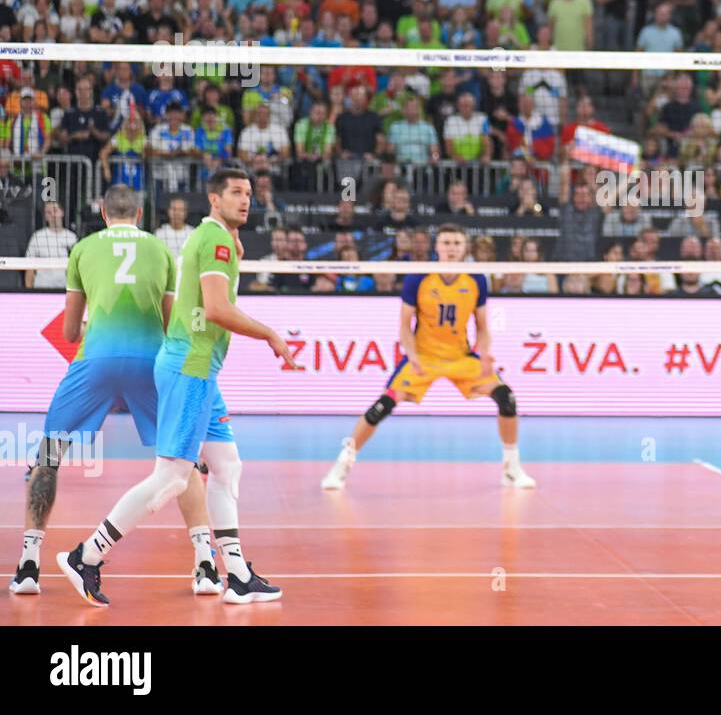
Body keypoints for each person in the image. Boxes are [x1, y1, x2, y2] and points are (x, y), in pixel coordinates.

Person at [57, 169, 299, 607]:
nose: (246, 200)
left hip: (198, 365)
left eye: (249, 193)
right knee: (171, 479)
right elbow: (218, 308)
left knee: (226, 467)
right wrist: (271, 335)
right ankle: (86, 555)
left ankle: (239, 575)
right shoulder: (216, 241)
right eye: (235, 194)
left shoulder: (215, 238)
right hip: (191, 365)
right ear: (213, 198)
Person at [12, 186, 220, 598]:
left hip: (97, 359)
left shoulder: (82, 248)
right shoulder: (161, 250)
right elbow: (169, 324)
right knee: (182, 461)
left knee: (49, 456)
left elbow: (70, 332)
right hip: (151, 361)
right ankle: (206, 564)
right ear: (140, 213)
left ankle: (28, 565)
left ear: (104, 212)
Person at [320, 224, 535, 491]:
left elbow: (482, 327)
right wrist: (412, 355)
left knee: (506, 398)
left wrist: (485, 354)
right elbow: (404, 327)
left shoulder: (476, 279)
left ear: (464, 247)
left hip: (460, 356)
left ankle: (511, 469)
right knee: (382, 407)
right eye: (446, 243)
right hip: (423, 355)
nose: (452, 248)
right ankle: (341, 466)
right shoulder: (419, 277)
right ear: (437, 247)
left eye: (457, 243)